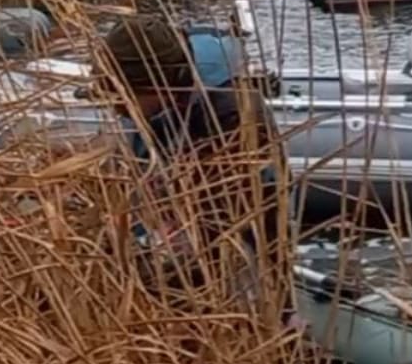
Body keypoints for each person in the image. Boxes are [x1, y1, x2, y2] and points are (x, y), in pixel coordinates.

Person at [100, 14, 285, 270]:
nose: (116, 107)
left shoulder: (234, 114)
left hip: (239, 243)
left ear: (159, 87)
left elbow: (252, 215)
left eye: (122, 96)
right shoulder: (149, 103)